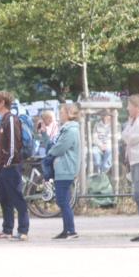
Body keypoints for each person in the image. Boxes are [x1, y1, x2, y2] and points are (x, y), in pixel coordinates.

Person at [0, 91, 29, 241]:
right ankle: (7, 229)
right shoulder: (2, 120)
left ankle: (23, 230)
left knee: (17, 198)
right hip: (2, 166)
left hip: (11, 166)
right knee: (5, 199)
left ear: (2, 103)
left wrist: (8, 163)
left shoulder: (11, 119)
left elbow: (14, 143)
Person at [46, 103, 81, 240]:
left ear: (69, 114)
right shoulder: (66, 129)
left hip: (66, 168)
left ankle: (71, 230)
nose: (60, 115)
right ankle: (67, 229)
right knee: (63, 200)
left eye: (61, 113)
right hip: (62, 168)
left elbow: (61, 147)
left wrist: (50, 152)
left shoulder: (70, 130)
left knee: (62, 200)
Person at [121, 94, 139, 242]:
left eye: (129, 105)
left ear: (137, 107)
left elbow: (129, 138)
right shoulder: (134, 121)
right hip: (137, 160)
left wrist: (127, 132)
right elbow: (126, 136)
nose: (127, 108)